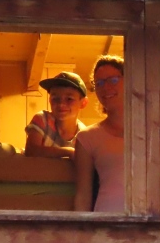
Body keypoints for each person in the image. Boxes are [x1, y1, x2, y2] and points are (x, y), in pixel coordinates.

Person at [74, 55, 125, 212]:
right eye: (99, 83)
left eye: (113, 80)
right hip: (107, 219)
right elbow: (83, 195)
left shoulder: (155, 132)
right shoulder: (87, 137)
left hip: (153, 220)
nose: (105, 87)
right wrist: (81, 226)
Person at [24, 71, 88, 159]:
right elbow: (31, 150)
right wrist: (68, 152)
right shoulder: (42, 120)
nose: (61, 104)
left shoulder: (84, 135)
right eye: (55, 98)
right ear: (49, 100)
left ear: (83, 103)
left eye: (69, 99)